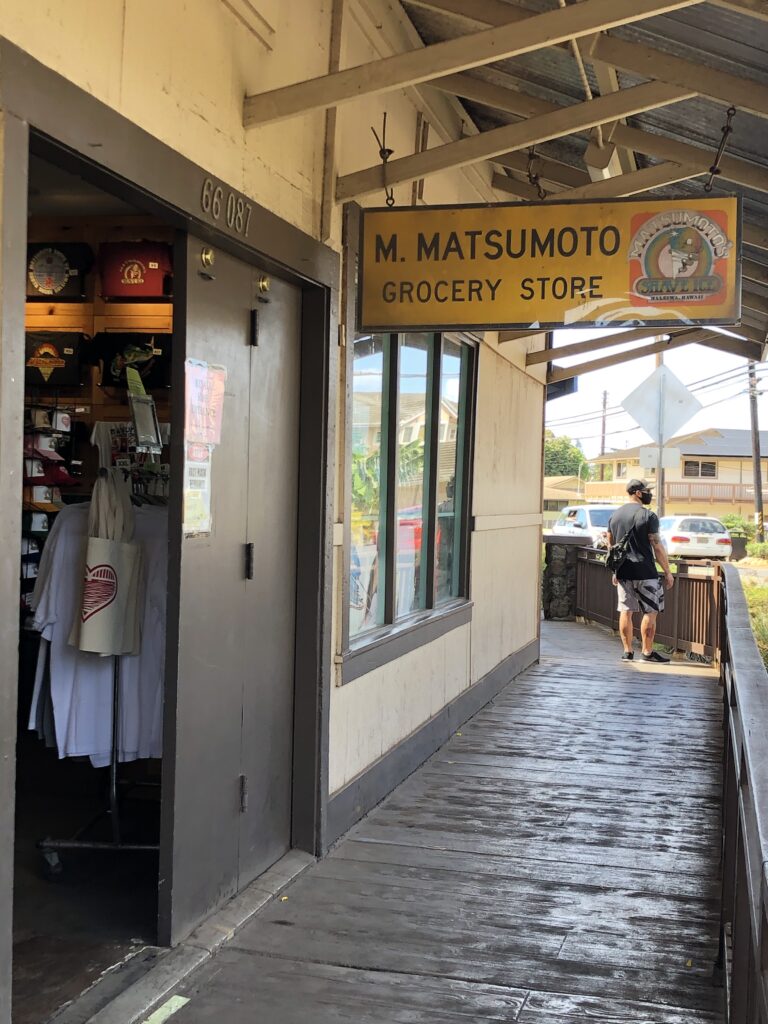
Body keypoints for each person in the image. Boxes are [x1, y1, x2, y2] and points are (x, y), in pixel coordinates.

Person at [607, 479, 675, 663]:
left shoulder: (615, 516)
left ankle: (627, 651)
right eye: (647, 491)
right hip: (646, 571)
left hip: (623, 572)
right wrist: (667, 571)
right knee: (650, 612)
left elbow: (611, 544)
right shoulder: (648, 516)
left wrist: (615, 570)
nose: (649, 494)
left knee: (625, 611)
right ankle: (647, 651)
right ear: (638, 493)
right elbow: (656, 545)